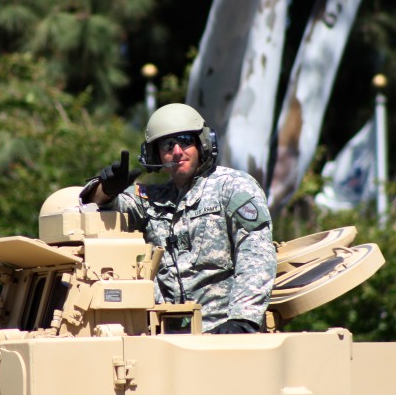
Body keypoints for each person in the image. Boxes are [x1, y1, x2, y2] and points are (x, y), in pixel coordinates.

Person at [80, 103, 277, 334]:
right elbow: (101, 208)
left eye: (185, 141)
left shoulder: (233, 188)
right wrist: (105, 189)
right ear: (156, 154)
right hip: (165, 336)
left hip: (224, 332)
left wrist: (243, 320)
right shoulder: (152, 199)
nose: (176, 151)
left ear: (202, 144)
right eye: (167, 145)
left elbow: (256, 254)